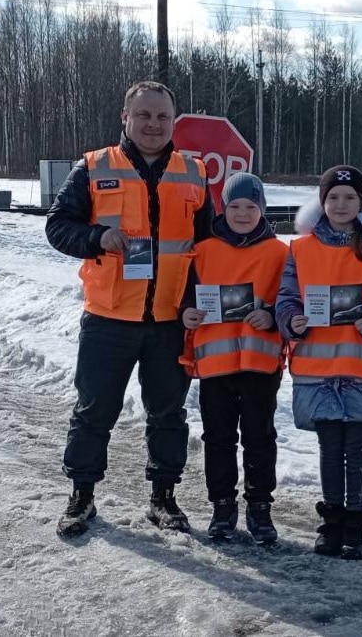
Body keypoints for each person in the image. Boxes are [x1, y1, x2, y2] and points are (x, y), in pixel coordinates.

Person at [46, 81, 213, 538]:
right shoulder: (94, 167)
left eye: (162, 116)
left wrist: (197, 304)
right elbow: (58, 226)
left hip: (169, 320)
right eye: (144, 115)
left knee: (168, 412)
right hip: (109, 318)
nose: (153, 124)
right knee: (95, 409)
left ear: (174, 120)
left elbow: (209, 248)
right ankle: (81, 495)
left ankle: (163, 498)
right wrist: (97, 238)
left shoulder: (194, 172)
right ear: (126, 119)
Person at [275, 165, 362, 560]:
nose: (340, 204)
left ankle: (357, 526)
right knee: (330, 448)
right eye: (332, 197)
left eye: (349, 197)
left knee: (359, 447)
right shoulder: (299, 249)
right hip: (317, 369)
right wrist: (292, 322)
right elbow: (286, 299)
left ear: (361, 202)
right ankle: (331, 522)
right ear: (321, 203)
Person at [178, 172, 288, 544]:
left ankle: (260, 508)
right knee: (218, 438)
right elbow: (186, 295)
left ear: (263, 210)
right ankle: (222, 506)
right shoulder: (204, 249)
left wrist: (272, 315)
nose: (243, 213)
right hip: (216, 364)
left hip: (260, 363)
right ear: (224, 208)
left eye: (251, 207)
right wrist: (188, 313)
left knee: (260, 437)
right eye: (235, 206)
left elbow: (290, 300)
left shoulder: (280, 253)